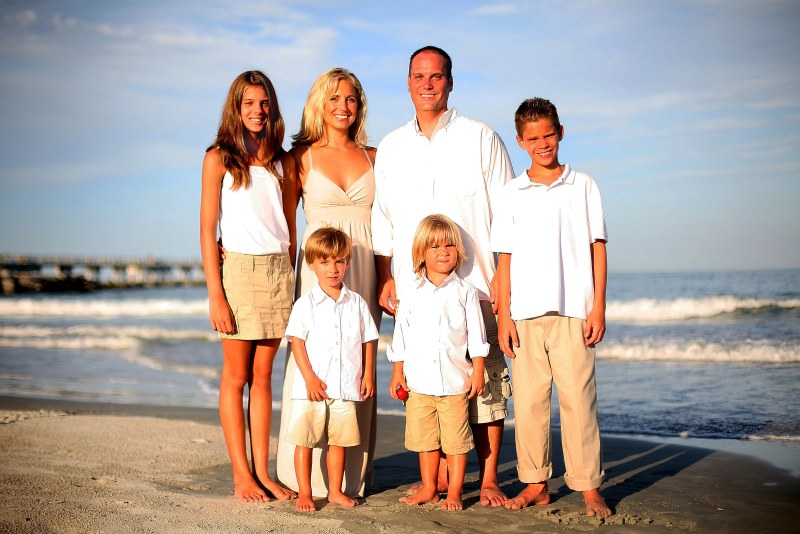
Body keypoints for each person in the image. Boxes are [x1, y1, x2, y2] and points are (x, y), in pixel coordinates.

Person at [371, 46, 514, 507]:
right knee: (429, 390)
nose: (427, 83)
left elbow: (508, 214)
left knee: (483, 387)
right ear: (408, 83)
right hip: (415, 295)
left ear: (450, 83)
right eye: (419, 76)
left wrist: (503, 282)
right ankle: (434, 481)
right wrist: (386, 277)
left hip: (478, 286)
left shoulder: (480, 137)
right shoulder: (392, 146)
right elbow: (383, 219)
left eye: (436, 76)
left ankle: (488, 478)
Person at [492, 97, 613, 519]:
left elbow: (598, 249)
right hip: (524, 315)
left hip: (572, 312)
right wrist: (503, 315)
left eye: (548, 135)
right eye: (533, 138)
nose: (542, 144)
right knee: (528, 402)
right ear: (521, 142)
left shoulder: (583, 186)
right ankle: (535, 483)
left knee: (579, 402)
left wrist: (597, 307)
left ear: (560, 132)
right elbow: (503, 258)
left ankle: (588, 486)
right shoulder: (511, 192)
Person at [276, 68, 381, 499]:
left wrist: (390, 277)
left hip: (365, 268)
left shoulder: (375, 156)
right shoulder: (298, 156)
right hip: (316, 270)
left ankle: (347, 477)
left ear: (360, 106)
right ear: (320, 102)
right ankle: (301, 477)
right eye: (334, 98)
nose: (343, 106)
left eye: (351, 99)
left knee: (355, 361)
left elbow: (391, 223)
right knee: (313, 361)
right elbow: (283, 225)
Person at [199, 70, 297, 503]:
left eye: (264, 103)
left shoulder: (284, 160)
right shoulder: (219, 157)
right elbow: (206, 232)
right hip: (237, 272)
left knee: (263, 378)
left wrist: (291, 278)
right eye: (249, 104)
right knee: (236, 376)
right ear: (235, 108)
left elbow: (289, 227)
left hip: (279, 272)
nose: (258, 111)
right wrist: (215, 293)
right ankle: (241, 475)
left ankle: (263, 472)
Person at [388, 214, 488, 511]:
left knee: (456, 443)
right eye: (435, 247)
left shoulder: (465, 293)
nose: (443, 252)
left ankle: (455, 491)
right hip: (418, 383)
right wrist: (397, 373)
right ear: (421, 253)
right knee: (426, 441)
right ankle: (430, 488)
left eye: (449, 246)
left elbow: (477, 338)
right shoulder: (410, 293)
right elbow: (400, 337)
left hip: (455, 381)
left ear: (458, 251)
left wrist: (479, 371)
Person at [283, 227, 379, 512]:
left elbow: (369, 340)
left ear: (348, 263)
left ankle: (335, 491)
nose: (333, 269)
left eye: (339, 261)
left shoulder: (357, 303)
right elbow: (297, 343)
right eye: (325, 262)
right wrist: (310, 378)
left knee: (339, 442)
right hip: (311, 389)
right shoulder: (305, 305)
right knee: (306, 441)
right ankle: (305, 493)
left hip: (346, 385)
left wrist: (369, 373)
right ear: (311, 264)